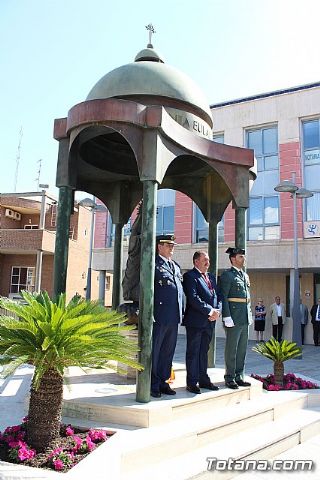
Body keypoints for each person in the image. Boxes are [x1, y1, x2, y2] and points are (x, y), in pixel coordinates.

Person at [183, 251, 221, 394]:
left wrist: (217, 311)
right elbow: (193, 298)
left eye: (208, 260)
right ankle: (192, 383)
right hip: (195, 321)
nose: (207, 263)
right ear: (196, 261)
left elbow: (217, 295)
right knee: (193, 352)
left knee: (204, 351)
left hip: (210, 321)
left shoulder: (210, 277)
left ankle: (203, 379)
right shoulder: (190, 276)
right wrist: (210, 311)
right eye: (204, 260)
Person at [151, 234, 184, 398]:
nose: (172, 247)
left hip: (174, 315)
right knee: (156, 351)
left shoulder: (176, 266)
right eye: (168, 245)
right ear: (159, 246)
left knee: (168, 351)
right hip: (159, 315)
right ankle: (154, 383)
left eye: (173, 245)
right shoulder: (153, 265)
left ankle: (164, 381)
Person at [219, 247, 252, 390]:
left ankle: (239, 376)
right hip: (233, 317)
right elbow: (223, 297)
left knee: (242, 349)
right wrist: (226, 316)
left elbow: (247, 298)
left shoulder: (244, 275)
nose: (243, 259)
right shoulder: (227, 275)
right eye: (240, 257)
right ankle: (230, 377)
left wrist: (249, 314)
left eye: (243, 257)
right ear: (233, 259)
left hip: (244, 317)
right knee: (232, 349)